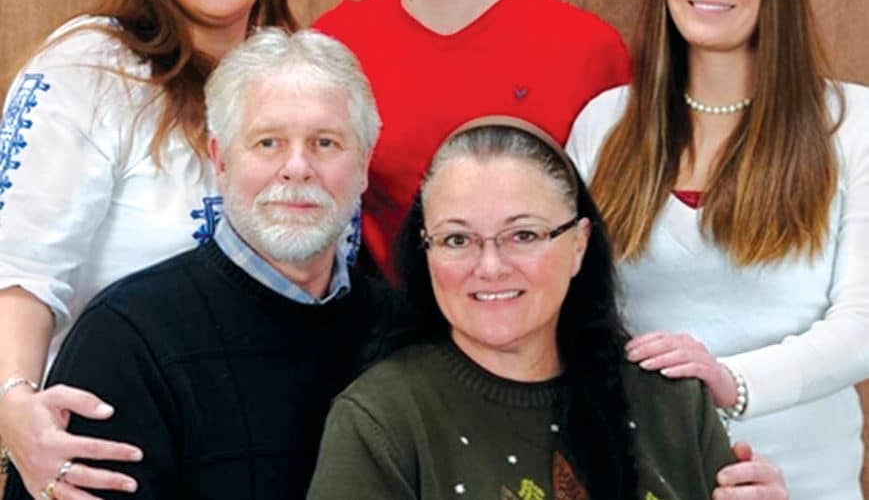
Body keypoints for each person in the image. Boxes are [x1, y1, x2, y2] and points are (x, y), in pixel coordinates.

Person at [566, 0, 869, 500]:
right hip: (642, 473)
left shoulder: (854, 126)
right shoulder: (605, 124)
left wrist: (731, 380)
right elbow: (573, 310)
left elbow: (861, 325)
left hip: (805, 481)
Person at [0, 0, 295, 498]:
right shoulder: (87, 72)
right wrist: (13, 401)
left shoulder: (293, 80)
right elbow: (20, 269)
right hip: (113, 452)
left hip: (263, 449)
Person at [308, 117, 788, 500]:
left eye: (524, 235)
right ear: (425, 250)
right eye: (457, 239)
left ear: (579, 244)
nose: (490, 266)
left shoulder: (671, 399)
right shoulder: (380, 419)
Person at [3, 27, 386, 500]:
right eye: (268, 143)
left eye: (325, 143)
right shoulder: (125, 342)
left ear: (365, 163)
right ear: (220, 162)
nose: (297, 167)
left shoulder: (401, 334)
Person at [313, 0, 631, 279]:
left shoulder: (589, 50)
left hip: (550, 330)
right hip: (387, 332)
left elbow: (623, 230)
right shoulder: (333, 49)